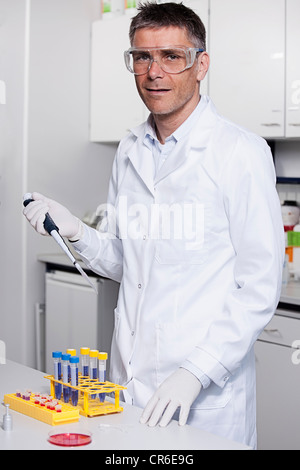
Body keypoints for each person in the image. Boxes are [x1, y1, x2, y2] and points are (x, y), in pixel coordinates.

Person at [23, 2, 284, 448]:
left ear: (201, 64)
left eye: (171, 56)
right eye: (141, 57)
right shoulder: (130, 151)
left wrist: (195, 371)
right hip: (130, 381)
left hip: (204, 392)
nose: (154, 71)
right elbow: (132, 262)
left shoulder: (240, 152)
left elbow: (259, 284)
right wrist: (78, 234)